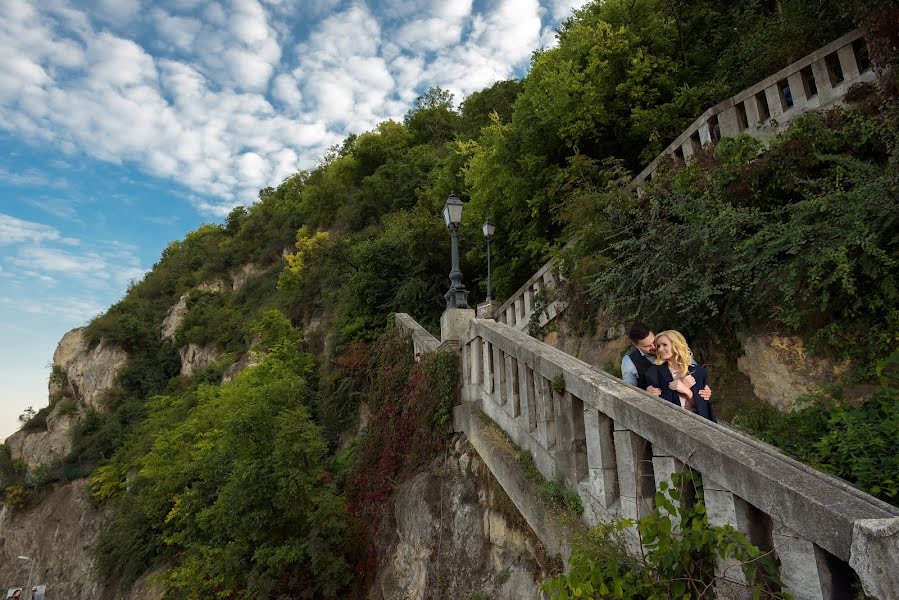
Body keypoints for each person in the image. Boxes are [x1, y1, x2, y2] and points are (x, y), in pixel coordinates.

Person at [620, 323, 711, 401]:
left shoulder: (672, 348)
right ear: (635, 345)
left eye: (654, 341)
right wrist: (644, 393)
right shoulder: (629, 361)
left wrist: (704, 386)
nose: (654, 347)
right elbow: (629, 393)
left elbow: (694, 370)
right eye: (647, 346)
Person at [650, 330, 716, 422]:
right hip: (671, 423)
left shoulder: (698, 371)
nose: (660, 349)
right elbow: (659, 404)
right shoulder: (654, 371)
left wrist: (686, 391)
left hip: (698, 423)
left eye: (665, 345)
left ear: (676, 345)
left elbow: (703, 406)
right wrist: (680, 388)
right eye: (658, 346)